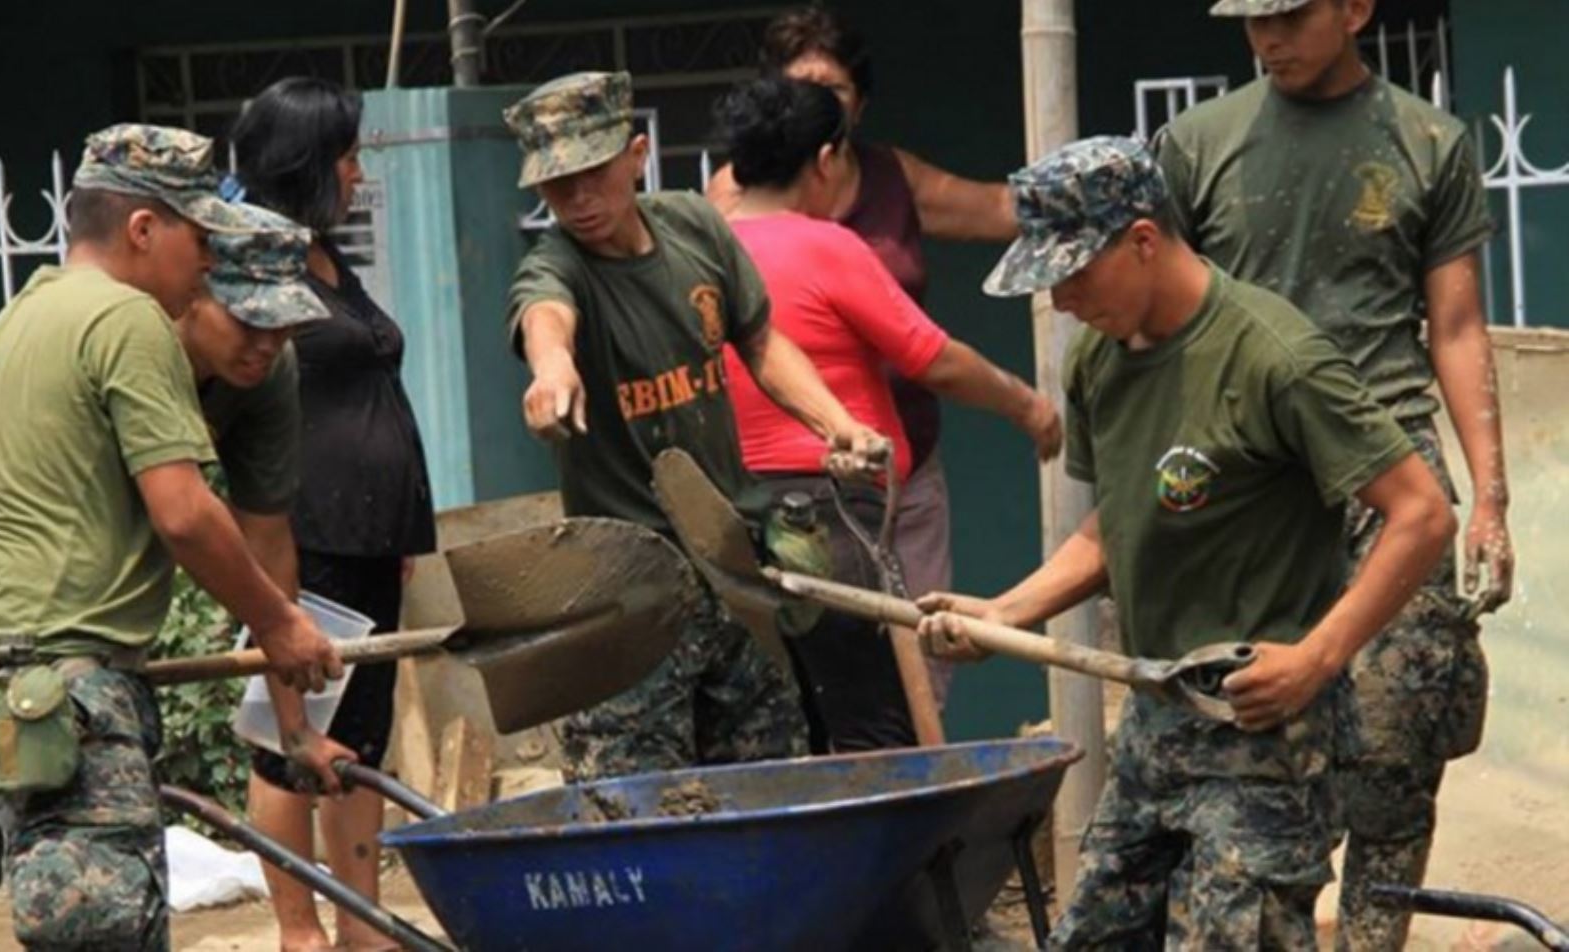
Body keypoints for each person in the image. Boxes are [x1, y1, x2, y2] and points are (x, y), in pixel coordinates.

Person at [917, 136, 1455, 948]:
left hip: (1268, 731)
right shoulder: (1098, 359)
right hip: (1159, 718)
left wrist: (1314, 659)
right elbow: (1116, 525)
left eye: (1073, 273)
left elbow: (1421, 513)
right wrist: (1006, 612)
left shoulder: (1275, 357)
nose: (1060, 301)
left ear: (1142, 239)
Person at [0, 124, 345, 950]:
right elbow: (183, 511)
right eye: (200, 240)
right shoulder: (130, 321)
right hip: (77, 689)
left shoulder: (18, 318)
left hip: (16, 689)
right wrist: (281, 625)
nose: (208, 260)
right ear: (145, 230)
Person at [1155, 2, 1509, 945]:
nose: (1266, 35)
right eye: (1251, 18)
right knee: (1242, 753)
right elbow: (1161, 318)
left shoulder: (1428, 142)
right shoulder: (1196, 144)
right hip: (1251, 482)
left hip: (1389, 476)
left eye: (1289, 13)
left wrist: (1491, 502)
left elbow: (1459, 327)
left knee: (1398, 748)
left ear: (1354, 9)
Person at [503, 70, 887, 781]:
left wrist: (836, 423)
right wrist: (552, 371)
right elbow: (545, 316)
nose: (579, 200)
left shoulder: (694, 223)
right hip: (627, 589)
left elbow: (761, 340)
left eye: (593, 174)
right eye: (558, 187)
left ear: (635, 153)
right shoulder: (557, 266)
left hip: (731, 564)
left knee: (770, 785)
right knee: (633, 804)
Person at [711, 75, 1060, 752]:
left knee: (778, 731)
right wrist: (1026, 403)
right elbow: (933, 359)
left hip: (726, 520)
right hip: (833, 517)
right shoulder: (828, 246)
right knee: (877, 731)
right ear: (825, 160)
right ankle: (909, 858)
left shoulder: (702, 254)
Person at [229, 76, 436, 952]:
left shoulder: (323, 256)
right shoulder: (253, 262)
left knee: (359, 738)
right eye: (347, 155)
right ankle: (299, 929)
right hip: (300, 535)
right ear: (309, 163)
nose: (358, 172)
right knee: (288, 734)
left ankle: (362, 925)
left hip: (371, 534)